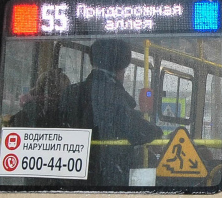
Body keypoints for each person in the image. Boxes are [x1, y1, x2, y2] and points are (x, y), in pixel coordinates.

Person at [59, 39, 162, 186]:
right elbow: (135, 129)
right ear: (121, 69)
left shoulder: (71, 92)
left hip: (68, 178)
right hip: (107, 176)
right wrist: (157, 132)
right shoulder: (115, 96)